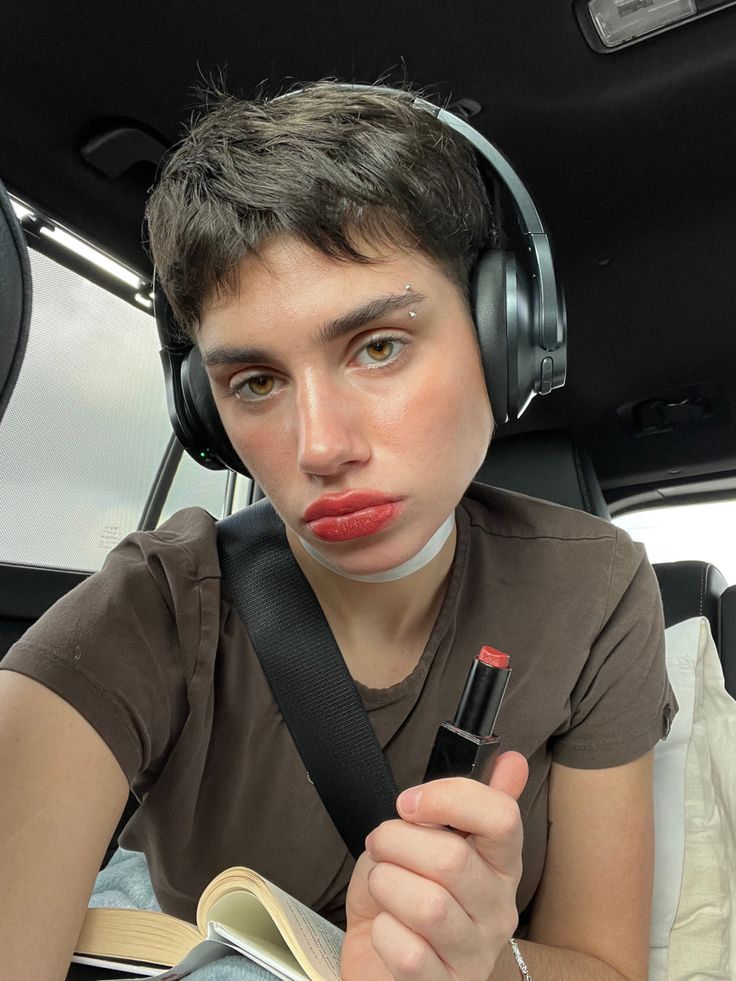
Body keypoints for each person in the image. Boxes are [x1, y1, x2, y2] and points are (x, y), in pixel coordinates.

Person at [0, 81, 676, 981]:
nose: (321, 447)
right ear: (206, 409)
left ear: (502, 333)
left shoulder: (597, 589)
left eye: (379, 346)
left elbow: (609, 966)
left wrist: (491, 963)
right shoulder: (151, 609)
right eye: (255, 383)